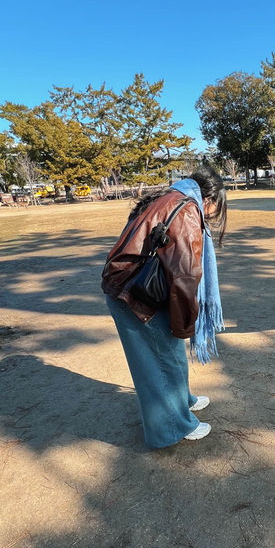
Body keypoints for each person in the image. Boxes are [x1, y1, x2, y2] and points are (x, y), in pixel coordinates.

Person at [101, 164, 227, 447]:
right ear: (211, 200)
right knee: (160, 362)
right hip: (134, 296)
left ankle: (183, 401)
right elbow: (185, 278)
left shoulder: (175, 197)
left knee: (170, 357)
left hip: (138, 287)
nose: (217, 214)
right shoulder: (187, 211)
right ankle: (172, 428)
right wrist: (184, 327)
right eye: (218, 206)